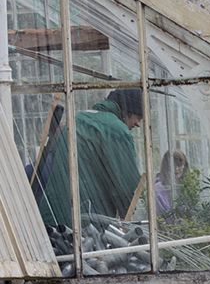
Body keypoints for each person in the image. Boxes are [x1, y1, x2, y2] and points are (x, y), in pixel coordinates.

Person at [32, 87, 146, 232]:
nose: (138, 124)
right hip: (86, 226)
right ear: (128, 111)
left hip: (51, 220)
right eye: (139, 117)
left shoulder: (75, 120)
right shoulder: (116, 130)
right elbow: (129, 190)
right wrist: (132, 224)